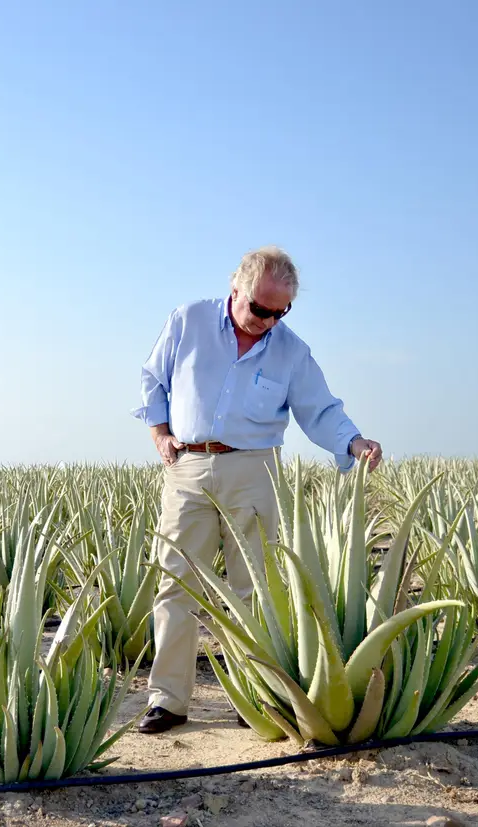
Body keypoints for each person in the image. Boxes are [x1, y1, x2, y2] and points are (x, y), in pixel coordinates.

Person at [130, 245, 382, 734]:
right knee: (175, 584)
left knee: (255, 590)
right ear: (236, 287)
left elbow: (321, 409)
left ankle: (255, 698)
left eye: (279, 312)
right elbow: (152, 379)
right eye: (259, 309)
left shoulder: (291, 350)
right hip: (189, 465)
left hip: (255, 469)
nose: (267, 320)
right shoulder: (188, 321)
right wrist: (159, 433)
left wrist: (354, 442)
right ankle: (168, 701)